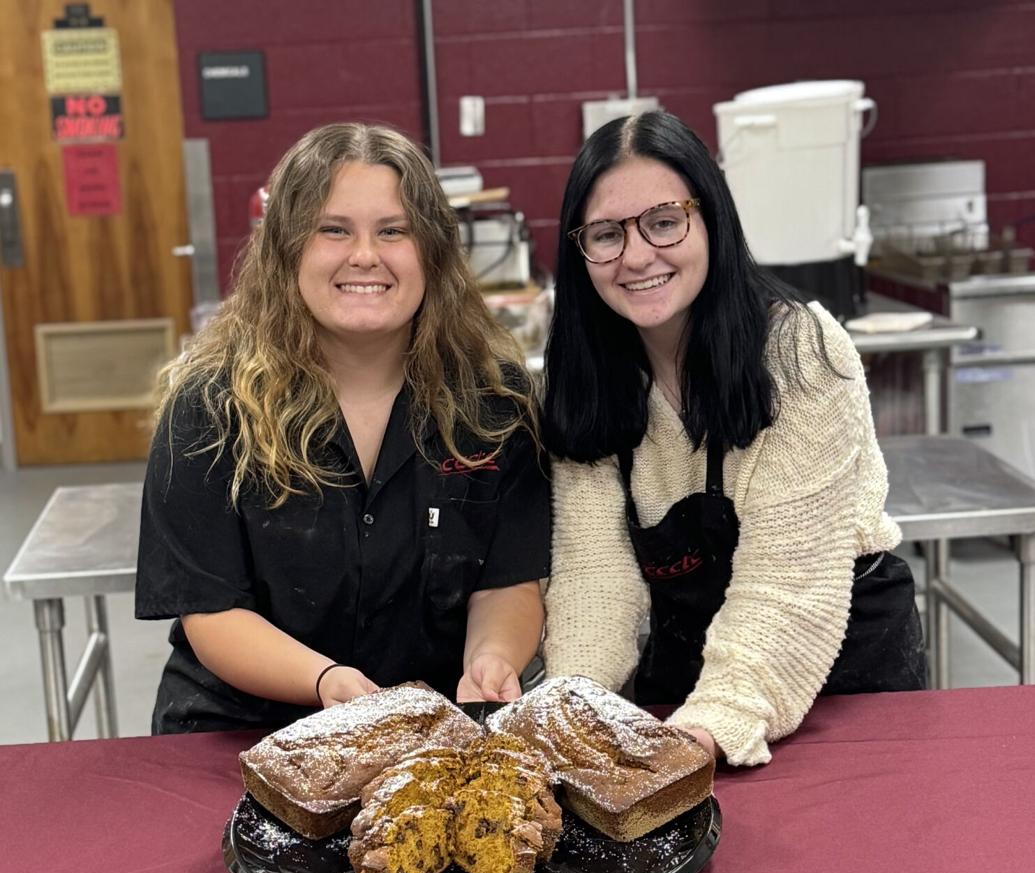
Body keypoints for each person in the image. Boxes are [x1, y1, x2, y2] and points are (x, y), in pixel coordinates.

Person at [136, 122, 549, 734]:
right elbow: (213, 612)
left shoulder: (494, 405)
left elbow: (507, 581)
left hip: (426, 735)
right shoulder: (209, 409)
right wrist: (325, 680)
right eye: (333, 230)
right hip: (241, 735)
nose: (365, 255)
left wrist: (492, 658)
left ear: (431, 252)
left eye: (393, 231)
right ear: (287, 250)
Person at [540, 111, 926, 766]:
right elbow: (593, 577)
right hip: (691, 685)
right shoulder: (586, 380)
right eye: (606, 234)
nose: (636, 256)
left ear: (710, 217)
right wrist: (568, 705)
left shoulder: (797, 350)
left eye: (663, 222)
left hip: (836, 672)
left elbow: (788, 577)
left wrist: (714, 721)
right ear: (579, 252)